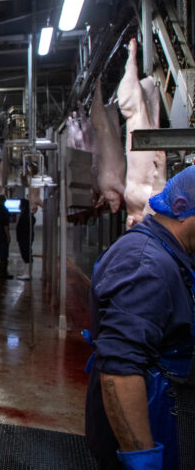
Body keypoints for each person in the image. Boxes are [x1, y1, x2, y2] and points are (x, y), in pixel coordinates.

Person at [85, 165, 195, 470]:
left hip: (166, 412)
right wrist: (142, 458)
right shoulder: (145, 264)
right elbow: (119, 370)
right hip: (153, 423)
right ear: (182, 209)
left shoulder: (170, 253)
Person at [16, 198, 35, 280]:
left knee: (26, 254)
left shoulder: (26, 215)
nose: (19, 206)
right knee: (25, 254)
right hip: (24, 238)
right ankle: (26, 272)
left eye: (20, 204)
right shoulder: (26, 214)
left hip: (25, 238)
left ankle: (27, 274)